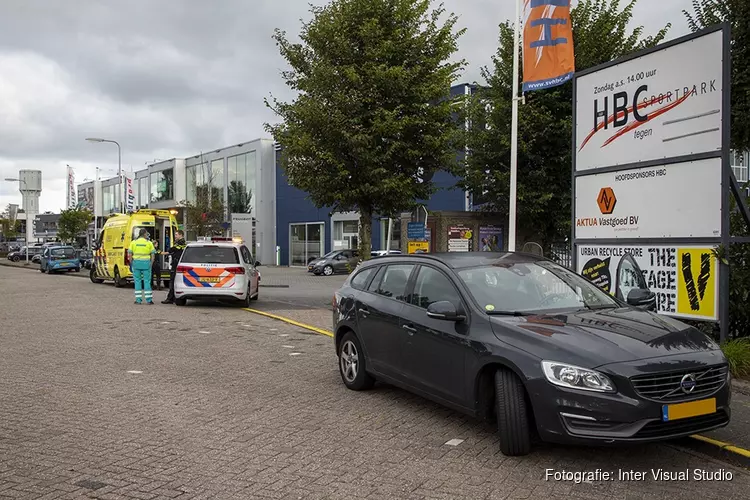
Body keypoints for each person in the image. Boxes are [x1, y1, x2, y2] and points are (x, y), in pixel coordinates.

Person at [128, 229, 156, 304]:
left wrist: (132, 263)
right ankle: (149, 300)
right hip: (146, 264)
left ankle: (138, 300)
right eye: (147, 234)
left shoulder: (133, 242)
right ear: (144, 234)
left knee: (137, 282)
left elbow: (130, 255)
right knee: (147, 281)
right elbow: (153, 255)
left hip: (136, 264)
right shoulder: (149, 243)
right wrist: (151, 263)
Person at [162, 230, 187, 304]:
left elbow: (171, 250)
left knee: (172, 281)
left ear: (180, 235)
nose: (175, 236)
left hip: (176, 264)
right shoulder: (183, 243)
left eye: (176, 235)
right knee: (175, 281)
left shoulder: (180, 243)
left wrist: (160, 252)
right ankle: (174, 298)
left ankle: (170, 298)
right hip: (178, 263)